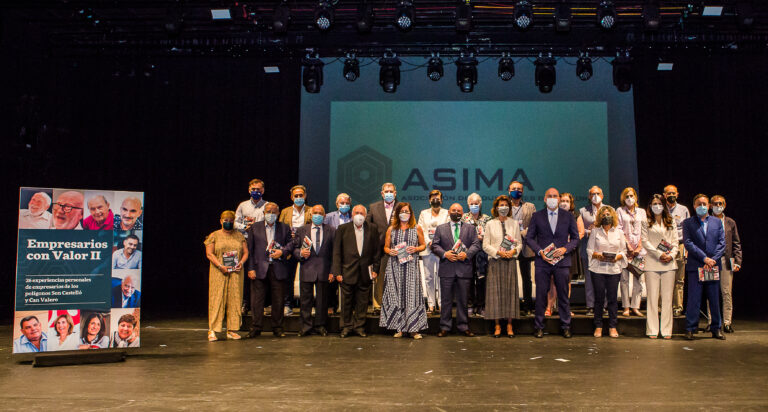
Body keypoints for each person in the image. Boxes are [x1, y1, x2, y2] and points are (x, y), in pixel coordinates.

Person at [526, 188, 580, 338]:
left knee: (563, 295)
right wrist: (539, 251)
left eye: (555, 196)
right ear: (544, 199)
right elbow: (529, 238)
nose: (552, 198)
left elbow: (575, 239)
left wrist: (565, 249)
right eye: (549, 196)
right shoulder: (537, 216)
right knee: (541, 295)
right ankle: (538, 326)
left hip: (562, 262)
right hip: (542, 262)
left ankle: (566, 326)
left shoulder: (568, 216)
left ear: (559, 199)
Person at [432, 203, 482, 337]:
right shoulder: (440, 228)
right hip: (447, 268)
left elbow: (476, 244)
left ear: (463, 213)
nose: (456, 212)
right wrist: (444, 254)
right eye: (453, 210)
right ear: (448, 212)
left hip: (464, 268)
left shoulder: (470, 228)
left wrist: (467, 254)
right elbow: (435, 245)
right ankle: (444, 327)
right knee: (446, 300)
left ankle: (463, 326)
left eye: (459, 211)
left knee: (463, 300)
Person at [380, 203, 428, 339]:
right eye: (401, 211)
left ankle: (413, 329)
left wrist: (416, 249)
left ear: (411, 213)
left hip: (411, 267)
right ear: (397, 213)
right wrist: (391, 251)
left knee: (411, 296)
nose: (404, 213)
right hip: (395, 267)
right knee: (397, 296)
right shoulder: (391, 229)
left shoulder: (416, 227)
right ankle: (399, 328)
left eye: (406, 211)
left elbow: (423, 245)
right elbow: (385, 247)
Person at [246, 202, 294, 338]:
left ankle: (277, 327)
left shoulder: (284, 228)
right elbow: (250, 250)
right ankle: (256, 327)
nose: (271, 214)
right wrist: (250, 268)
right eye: (268, 211)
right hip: (259, 268)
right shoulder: (255, 228)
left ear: (278, 213)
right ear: (263, 213)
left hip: (278, 267)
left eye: (273, 212)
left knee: (278, 300)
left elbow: (291, 244)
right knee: (257, 301)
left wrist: (282, 252)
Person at [332, 205, 380, 338]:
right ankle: (346, 327)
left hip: (366, 272)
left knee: (362, 302)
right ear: (352, 215)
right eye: (357, 213)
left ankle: (359, 327)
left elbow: (376, 251)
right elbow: (337, 252)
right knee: (346, 302)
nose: (359, 215)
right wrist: (337, 272)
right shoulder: (342, 229)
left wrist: (376, 269)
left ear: (365, 216)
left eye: (362, 213)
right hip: (347, 272)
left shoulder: (373, 228)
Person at [683, 194, 726, 340]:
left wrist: (713, 259)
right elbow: (688, 243)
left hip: (712, 266)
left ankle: (716, 328)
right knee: (694, 299)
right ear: (694, 206)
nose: (702, 206)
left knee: (714, 298)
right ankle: (690, 328)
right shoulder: (688, 223)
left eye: (704, 204)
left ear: (709, 206)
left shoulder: (717, 222)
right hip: (696, 265)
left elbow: (722, 243)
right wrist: (704, 258)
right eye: (699, 204)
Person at [204, 210, 249, 341]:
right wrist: (220, 266)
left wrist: (241, 262)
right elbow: (209, 253)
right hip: (219, 271)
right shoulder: (214, 235)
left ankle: (232, 329)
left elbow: (246, 252)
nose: (228, 223)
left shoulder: (239, 236)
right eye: (226, 220)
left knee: (235, 298)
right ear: (220, 221)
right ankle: (212, 329)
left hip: (236, 271)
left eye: (230, 221)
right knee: (217, 298)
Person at [482, 195, 523, 337]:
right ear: (496, 207)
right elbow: (485, 245)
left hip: (510, 262)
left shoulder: (514, 223)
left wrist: (513, 251)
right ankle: (497, 325)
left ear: (509, 207)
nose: (503, 207)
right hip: (495, 261)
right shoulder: (490, 224)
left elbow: (519, 244)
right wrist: (498, 252)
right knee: (495, 294)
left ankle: (510, 325)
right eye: (501, 205)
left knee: (510, 293)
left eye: (506, 205)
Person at [293, 205, 336, 337]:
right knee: (305, 301)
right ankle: (305, 327)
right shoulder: (302, 230)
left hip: (324, 270)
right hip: (307, 268)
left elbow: (335, 253)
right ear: (311, 215)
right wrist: (300, 252)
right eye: (315, 213)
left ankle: (320, 326)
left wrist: (333, 271)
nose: (317, 215)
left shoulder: (332, 230)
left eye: (320, 213)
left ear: (324, 216)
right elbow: (294, 249)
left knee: (322, 301)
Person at [641, 194, 679, 339]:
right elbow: (645, 241)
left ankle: (666, 330)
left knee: (667, 298)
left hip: (669, 263)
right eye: (654, 203)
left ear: (664, 205)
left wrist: (671, 255)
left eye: (659, 203)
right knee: (652, 298)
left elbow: (675, 241)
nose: (657, 206)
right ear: (650, 206)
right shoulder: (645, 221)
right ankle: (652, 330)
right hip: (652, 263)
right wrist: (659, 254)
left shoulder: (671, 221)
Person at [587, 205, 627, 338]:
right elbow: (589, 250)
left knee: (612, 299)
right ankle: (598, 326)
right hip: (598, 269)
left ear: (613, 216)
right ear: (600, 217)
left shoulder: (619, 232)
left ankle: (612, 326)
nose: (606, 217)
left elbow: (623, 251)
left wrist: (618, 257)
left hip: (614, 269)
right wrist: (598, 255)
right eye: (603, 215)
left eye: (608, 214)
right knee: (599, 299)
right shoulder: (595, 231)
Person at [707, 195, 742, 333]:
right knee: (710, 292)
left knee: (726, 292)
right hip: (710, 261)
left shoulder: (730, 222)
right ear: (710, 205)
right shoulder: (706, 220)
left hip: (726, 261)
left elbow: (736, 243)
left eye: (720, 203)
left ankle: (727, 322)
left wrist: (738, 261)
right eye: (715, 203)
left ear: (725, 205)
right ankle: (712, 322)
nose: (718, 205)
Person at [546, 193, 584, 317]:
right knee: (552, 280)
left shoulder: (576, 215)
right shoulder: (552, 214)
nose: (564, 203)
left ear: (571, 202)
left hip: (569, 252)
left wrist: (569, 243)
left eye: (567, 201)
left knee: (566, 281)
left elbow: (581, 233)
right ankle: (549, 307)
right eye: (562, 200)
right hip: (554, 251)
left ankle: (565, 308)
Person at [278, 185, 312, 316]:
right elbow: (280, 229)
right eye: (296, 196)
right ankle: (287, 305)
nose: (299, 198)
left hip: (305, 247)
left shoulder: (310, 210)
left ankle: (307, 306)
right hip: (290, 246)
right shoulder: (285, 211)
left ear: (305, 196)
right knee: (288, 277)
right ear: (292, 197)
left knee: (307, 278)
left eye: (301, 195)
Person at [234, 179, 267, 316]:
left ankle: (263, 304)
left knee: (261, 275)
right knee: (246, 273)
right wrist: (244, 227)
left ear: (263, 190)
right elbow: (235, 222)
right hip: (246, 242)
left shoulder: (267, 205)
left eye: (258, 189)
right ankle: (245, 303)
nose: (255, 192)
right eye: (253, 189)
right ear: (249, 190)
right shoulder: (243, 205)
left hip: (261, 243)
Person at [367, 183, 400, 316]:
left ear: (395, 193)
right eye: (386, 191)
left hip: (398, 248)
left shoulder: (402, 207)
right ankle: (378, 306)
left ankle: (396, 305)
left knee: (397, 278)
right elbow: (368, 226)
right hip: (379, 249)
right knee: (380, 278)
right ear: (382, 193)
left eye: (391, 191)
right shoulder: (373, 207)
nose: (388, 193)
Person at [417, 189, 449, 314]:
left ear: (441, 200)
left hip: (441, 249)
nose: (436, 200)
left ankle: (441, 304)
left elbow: (446, 230)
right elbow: (421, 230)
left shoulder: (446, 213)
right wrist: (429, 243)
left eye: (438, 197)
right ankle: (430, 304)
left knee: (441, 276)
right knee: (429, 277)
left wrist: (437, 244)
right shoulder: (423, 213)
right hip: (427, 248)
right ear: (430, 200)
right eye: (433, 197)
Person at [507, 180, 536, 315]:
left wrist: (521, 233)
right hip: (509, 245)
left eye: (519, 188)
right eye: (514, 188)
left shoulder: (530, 206)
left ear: (523, 191)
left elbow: (535, 226)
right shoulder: (504, 206)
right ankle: (512, 305)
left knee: (526, 277)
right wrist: (512, 235)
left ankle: (528, 305)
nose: (516, 190)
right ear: (509, 190)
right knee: (510, 277)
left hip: (525, 246)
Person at [617, 187, 646, 318]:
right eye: (627, 196)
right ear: (623, 198)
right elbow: (619, 229)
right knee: (624, 279)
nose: (629, 198)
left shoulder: (642, 212)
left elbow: (644, 230)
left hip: (639, 252)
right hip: (625, 250)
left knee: (638, 279)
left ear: (635, 197)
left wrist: (639, 247)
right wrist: (628, 246)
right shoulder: (620, 211)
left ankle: (635, 306)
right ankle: (626, 307)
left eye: (631, 195)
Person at [462, 193, 491, 317]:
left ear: (480, 204)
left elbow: (490, 236)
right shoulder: (463, 218)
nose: (474, 205)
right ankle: (469, 305)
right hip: (468, 253)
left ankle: (481, 306)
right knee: (468, 280)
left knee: (481, 281)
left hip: (482, 255)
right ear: (468, 204)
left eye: (476, 203)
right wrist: (474, 238)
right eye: (472, 203)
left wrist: (481, 237)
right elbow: (460, 236)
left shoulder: (487, 219)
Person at [324, 193, 352, 315]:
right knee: (332, 281)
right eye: (342, 203)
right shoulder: (329, 217)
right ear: (337, 204)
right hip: (332, 253)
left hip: (348, 254)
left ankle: (348, 308)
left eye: (346, 203)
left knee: (348, 282)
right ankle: (331, 305)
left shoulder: (353, 217)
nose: (344, 205)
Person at [664, 185, 690, 317]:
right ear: (664, 195)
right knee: (664, 276)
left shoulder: (683, 210)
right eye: (668, 193)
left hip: (680, 245)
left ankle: (677, 307)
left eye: (673, 193)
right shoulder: (661, 209)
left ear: (677, 194)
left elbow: (688, 230)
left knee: (679, 279)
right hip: (664, 246)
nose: (671, 195)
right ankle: (663, 306)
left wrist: (686, 247)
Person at [579, 185, 605, 316]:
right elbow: (580, 231)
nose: (595, 196)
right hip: (588, 248)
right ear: (589, 197)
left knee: (603, 277)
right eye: (592, 194)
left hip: (605, 250)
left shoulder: (609, 210)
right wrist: (591, 230)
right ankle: (590, 305)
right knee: (589, 278)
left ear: (602, 195)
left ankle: (603, 305)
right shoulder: (583, 211)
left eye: (598, 193)